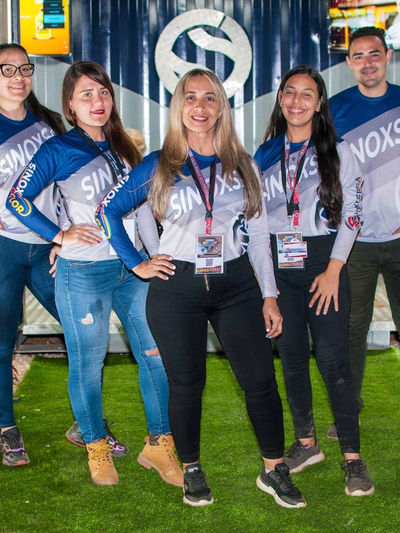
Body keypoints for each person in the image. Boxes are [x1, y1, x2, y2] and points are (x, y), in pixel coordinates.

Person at [95, 68, 306, 508]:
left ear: (221, 108)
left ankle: (274, 469)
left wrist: (269, 295)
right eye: (190, 97)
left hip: (237, 285)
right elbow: (108, 211)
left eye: (210, 98)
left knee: (260, 381)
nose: (200, 106)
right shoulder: (159, 163)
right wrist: (138, 263)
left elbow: (259, 236)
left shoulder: (243, 164)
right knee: (187, 384)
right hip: (177, 288)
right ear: (179, 107)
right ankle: (191, 468)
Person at [7, 60, 182, 487]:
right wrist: (58, 235)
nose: (97, 101)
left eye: (103, 92)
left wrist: (153, 256)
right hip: (83, 273)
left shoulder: (125, 147)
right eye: (86, 94)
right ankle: (96, 447)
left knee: (155, 355)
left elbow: (141, 210)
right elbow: (17, 199)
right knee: (88, 362)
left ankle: (159, 445)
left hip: (132, 270)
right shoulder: (58, 149)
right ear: (70, 105)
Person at [254, 65, 374, 497]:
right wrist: (268, 290)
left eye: (307, 94)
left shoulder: (339, 151)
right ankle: (307, 444)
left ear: (320, 103)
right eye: (290, 92)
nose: (297, 101)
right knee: (290, 359)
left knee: (333, 362)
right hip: (281, 268)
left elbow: (353, 215)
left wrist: (334, 269)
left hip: (325, 264)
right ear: (280, 98)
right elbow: (256, 224)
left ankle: (353, 458)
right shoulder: (265, 154)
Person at [328, 26, 400, 438]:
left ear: (387, 56)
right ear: (349, 62)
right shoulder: (335, 110)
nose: (367, 63)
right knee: (351, 331)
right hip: (353, 243)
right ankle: (347, 413)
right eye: (358, 56)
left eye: (374, 54)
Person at [0, 42, 65, 467]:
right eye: (7, 69)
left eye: (25, 69)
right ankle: (7, 428)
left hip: (47, 248)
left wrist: (63, 236)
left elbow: (66, 185)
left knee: (79, 327)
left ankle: (88, 424)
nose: (18, 77)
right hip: (4, 248)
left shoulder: (50, 123)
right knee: (2, 342)